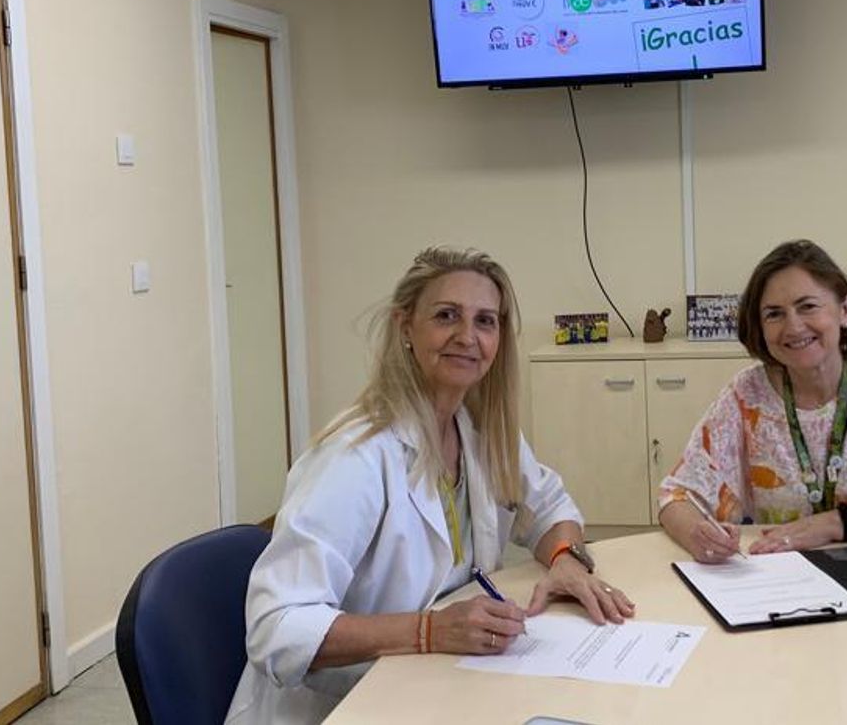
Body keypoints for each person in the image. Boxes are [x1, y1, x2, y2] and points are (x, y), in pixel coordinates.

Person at [228, 247, 633, 724]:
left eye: (485, 321)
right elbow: (276, 627)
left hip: (439, 687)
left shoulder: (478, 431)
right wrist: (428, 631)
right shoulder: (355, 456)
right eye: (446, 316)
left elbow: (549, 507)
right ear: (405, 327)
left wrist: (565, 559)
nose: (467, 337)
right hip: (340, 708)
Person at [658, 239, 847, 562]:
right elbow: (675, 497)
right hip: (783, 579)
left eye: (807, 306)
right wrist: (699, 535)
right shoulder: (746, 396)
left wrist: (836, 524)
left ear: (845, 310)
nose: (793, 327)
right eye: (774, 314)